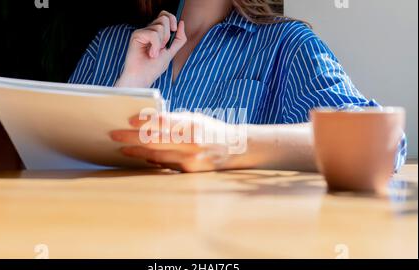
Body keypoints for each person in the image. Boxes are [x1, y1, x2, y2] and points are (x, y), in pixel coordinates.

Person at [69, 0, 407, 173]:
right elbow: (49, 160)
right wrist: (127, 86)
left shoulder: (286, 45)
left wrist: (228, 143)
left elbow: (380, 146)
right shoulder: (111, 45)